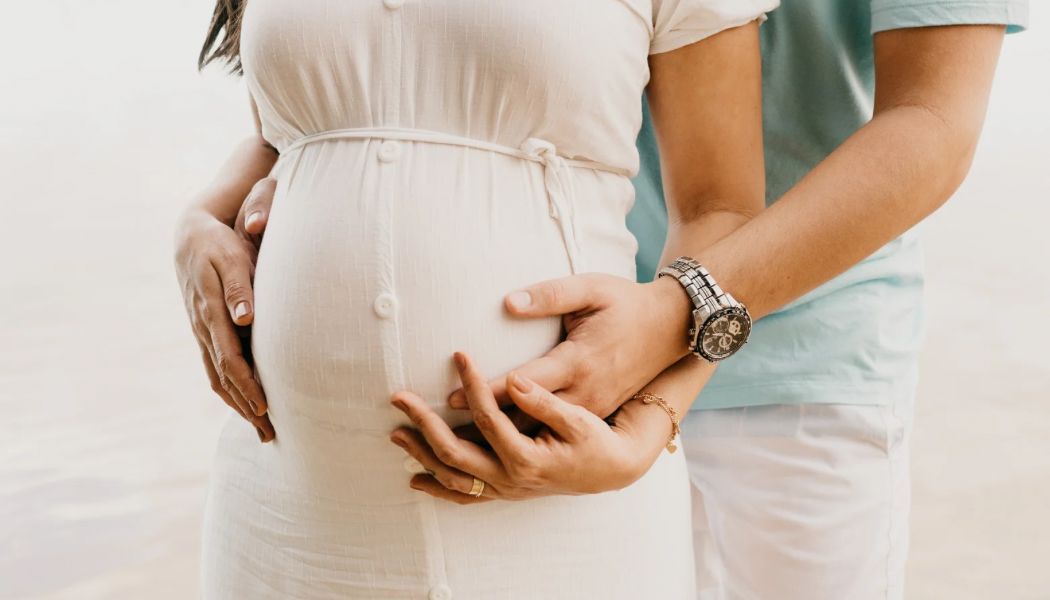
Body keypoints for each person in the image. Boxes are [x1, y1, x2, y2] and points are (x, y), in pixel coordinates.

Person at [183, 2, 1029, 599]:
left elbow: (933, 124)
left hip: (795, 360)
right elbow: (391, 80)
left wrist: (669, 340)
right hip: (560, 352)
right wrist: (202, 216)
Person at [175, 0, 777, 598]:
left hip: (562, 508)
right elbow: (285, 134)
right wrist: (202, 218)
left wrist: (650, 418)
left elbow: (719, 210)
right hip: (288, 505)